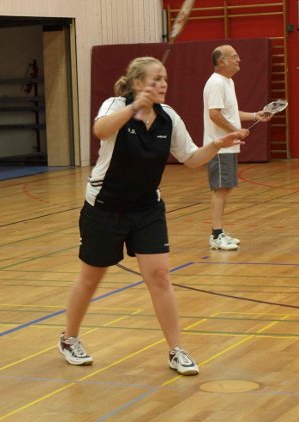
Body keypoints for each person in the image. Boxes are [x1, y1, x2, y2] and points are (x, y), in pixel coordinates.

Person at [58, 57, 246, 376]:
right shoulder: (114, 106)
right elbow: (100, 131)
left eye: (165, 79)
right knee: (91, 277)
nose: (163, 84)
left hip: (146, 207)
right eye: (156, 79)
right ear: (136, 84)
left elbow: (190, 158)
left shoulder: (168, 117)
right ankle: (69, 338)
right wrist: (132, 108)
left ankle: (177, 350)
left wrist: (216, 144)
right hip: (105, 206)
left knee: (159, 276)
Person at [203, 44, 272, 250]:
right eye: (234, 56)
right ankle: (216, 235)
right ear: (221, 61)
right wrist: (235, 130)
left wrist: (254, 115)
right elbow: (214, 114)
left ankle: (219, 232)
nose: (238, 59)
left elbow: (229, 112)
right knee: (220, 189)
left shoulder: (228, 82)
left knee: (225, 188)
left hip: (228, 145)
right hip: (219, 146)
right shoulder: (216, 83)